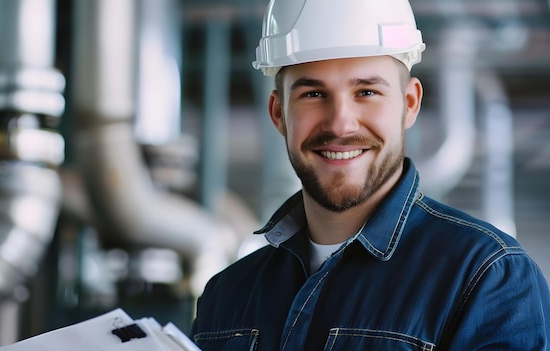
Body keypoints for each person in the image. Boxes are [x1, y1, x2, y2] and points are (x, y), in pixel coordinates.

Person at [190, 0, 550, 349]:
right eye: (314, 93)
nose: (340, 124)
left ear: (409, 104)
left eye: (367, 91)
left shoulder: (486, 277)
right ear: (278, 113)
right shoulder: (227, 295)